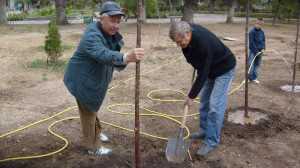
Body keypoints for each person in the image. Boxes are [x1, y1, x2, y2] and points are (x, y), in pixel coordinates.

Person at [63, 1, 144, 156]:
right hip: (81, 81)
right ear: (102, 18)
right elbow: (102, 53)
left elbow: (111, 55)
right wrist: (126, 56)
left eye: (118, 21)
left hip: (92, 79)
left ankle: (97, 132)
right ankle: (92, 147)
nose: (116, 25)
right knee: (88, 111)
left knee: (92, 107)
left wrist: (123, 58)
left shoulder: (107, 33)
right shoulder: (91, 35)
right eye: (113, 21)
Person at [169, 21, 236, 156]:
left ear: (188, 34)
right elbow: (198, 64)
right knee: (204, 103)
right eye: (176, 42)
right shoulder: (188, 36)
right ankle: (204, 130)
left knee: (215, 106)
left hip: (224, 69)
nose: (179, 45)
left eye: (180, 41)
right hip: (210, 69)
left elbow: (203, 72)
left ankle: (211, 141)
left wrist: (191, 96)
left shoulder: (202, 43)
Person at [248, 18, 266, 84]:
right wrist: (256, 51)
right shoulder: (251, 32)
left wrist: (263, 48)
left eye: (261, 24)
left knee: (257, 64)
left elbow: (263, 41)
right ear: (255, 23)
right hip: (253, 51)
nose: (259, 25)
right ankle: (249, 78)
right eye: (258, 24)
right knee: (250, 64)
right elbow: (251, 43)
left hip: (260, 51)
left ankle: (254, 78)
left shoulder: (262, 32)